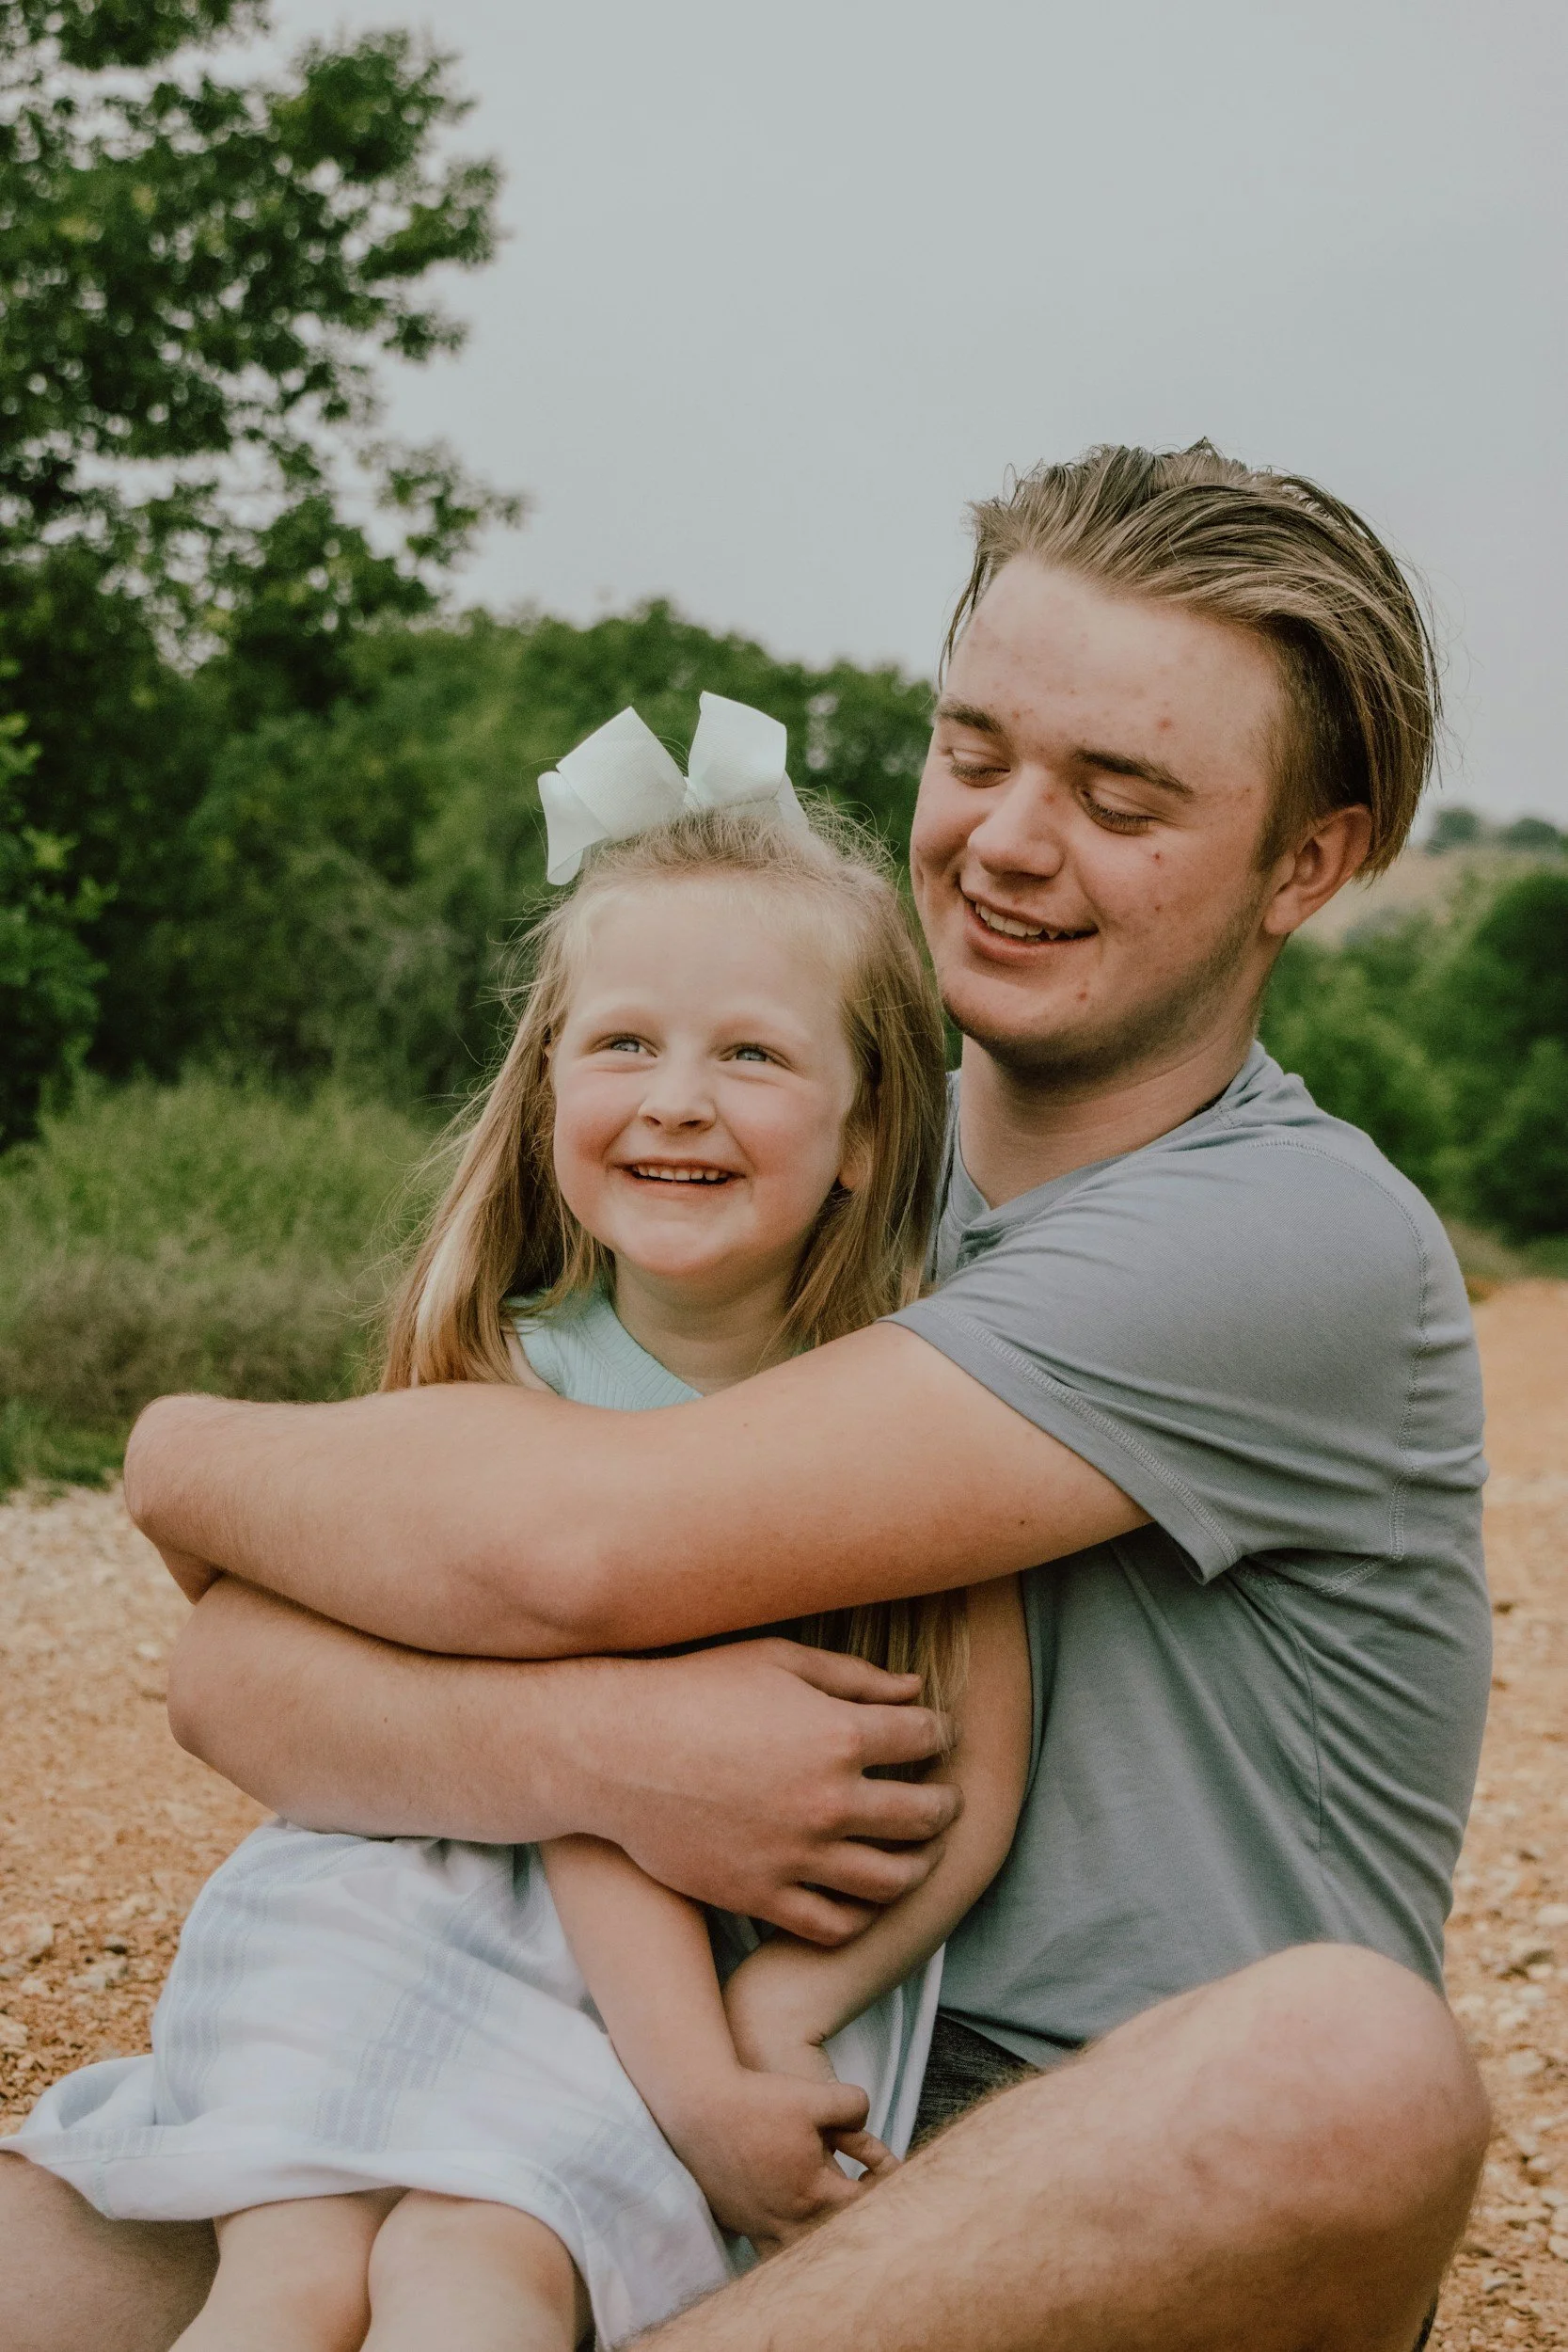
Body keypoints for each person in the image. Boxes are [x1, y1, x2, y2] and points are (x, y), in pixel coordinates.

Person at [0, 443, 1492, 2352]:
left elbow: (558, 1547)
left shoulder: (1284, 1237)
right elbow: (232, 1687)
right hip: (616, 2105)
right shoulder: (790, 1164)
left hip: (1037, 2199)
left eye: (1116, 797)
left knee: (1346, 2068)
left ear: (1311, 859)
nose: (1009, 839)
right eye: (972, 753)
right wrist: (603, 1761)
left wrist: (182, 1452)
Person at [7, 723, 1032, 2351]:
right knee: (298, 2273)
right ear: (548, 1083)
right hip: (398, 1914)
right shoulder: (500, 1397)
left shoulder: (890, 1427)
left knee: (473, 2277)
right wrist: (702, 2081)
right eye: (621, 1043)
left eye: (752, 1056)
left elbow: (976, 1769)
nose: (675, 1102)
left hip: (650, 2004)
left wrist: (794, 2002)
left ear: (864, 1124)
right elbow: (585, 1800)